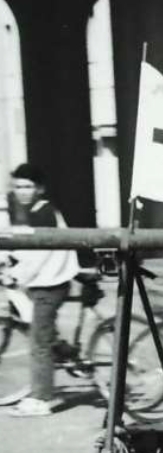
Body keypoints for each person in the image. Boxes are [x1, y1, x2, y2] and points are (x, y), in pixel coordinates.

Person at [1, 163, 80, 417]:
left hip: (50, 283)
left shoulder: (43, 212)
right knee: (38, 329)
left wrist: (16, 275)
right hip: (44, 280)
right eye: (18, 187)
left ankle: (43, 398)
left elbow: (40, 254)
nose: (22, 191)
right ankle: (63, 355)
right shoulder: (33, 210)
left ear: (40, 189)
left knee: (39, 341)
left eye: (28, 186)